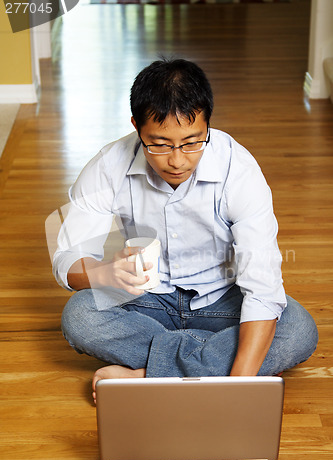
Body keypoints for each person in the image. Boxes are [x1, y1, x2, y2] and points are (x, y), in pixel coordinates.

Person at [52, 58, 318, 403]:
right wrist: (105, 273)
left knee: (297, 328)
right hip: (146, 300)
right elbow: (66, 260)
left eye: (192, 142)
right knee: (80, 315)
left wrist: (234, 391)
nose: (177, 160)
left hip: (221, 300)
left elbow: (263, 288)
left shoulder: (238, 170)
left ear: (208, 124)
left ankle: (146, 377)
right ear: (136, 126)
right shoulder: (108, 165)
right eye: (159, 144)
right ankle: (209, 363)